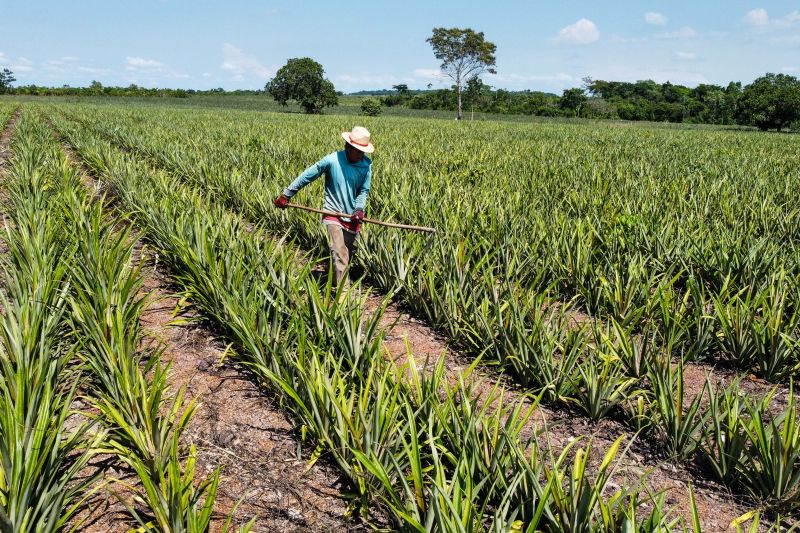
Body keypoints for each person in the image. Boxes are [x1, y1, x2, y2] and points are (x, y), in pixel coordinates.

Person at [274, 126, 373, 287]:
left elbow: (363, 191)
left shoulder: (366, 165)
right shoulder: (332, 160)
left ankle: (333, 280)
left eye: (363, 152)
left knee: (347, 254)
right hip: (332, 212)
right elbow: (307, 175)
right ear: (348, 147)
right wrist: (287, 194)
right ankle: (343, 295)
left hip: (352, 217)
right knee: (339, 252)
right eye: (357, 151)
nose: (360, 155)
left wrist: (359, 209)